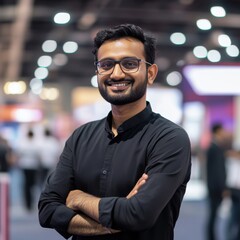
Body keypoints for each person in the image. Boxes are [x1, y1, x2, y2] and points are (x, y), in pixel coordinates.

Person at [38, 23, 191, 240]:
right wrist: (113, 219)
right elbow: (47, 209)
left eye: (129, 64)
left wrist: (79, 198)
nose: (116, 74)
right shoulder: (81, 137)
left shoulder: (170, 138)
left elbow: (138, 215)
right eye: (106, 64)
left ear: (150, 73)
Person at [205, 123, 228, 240]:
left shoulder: (214, 147)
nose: (224, 133)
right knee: (213, 215)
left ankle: (211, 236)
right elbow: (217, 171)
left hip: (213, 187)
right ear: (218, 131)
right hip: (215, 188)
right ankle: (211, 237)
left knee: (213, 215)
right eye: (222, 130)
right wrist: (222, 187)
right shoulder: (215, 148)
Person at [17, 129, 40, 211]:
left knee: (26, 185)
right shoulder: (35, 144)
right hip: (33, 166)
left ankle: (27, 203)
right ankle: (31, 202)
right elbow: (38, 156)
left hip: (25, 166)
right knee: (32, 185)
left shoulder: (23, 144)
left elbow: (19, 154)